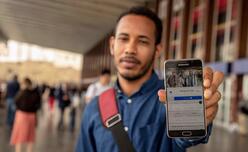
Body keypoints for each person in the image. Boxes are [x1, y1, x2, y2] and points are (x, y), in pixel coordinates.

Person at [76, 6, 224, 152]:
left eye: (142, 41)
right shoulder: (94, 108)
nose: (130, 49)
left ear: (157, 50)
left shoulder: (170, 98)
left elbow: (184, 139)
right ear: (112, 45)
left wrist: (198, 117)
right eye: (124, 38)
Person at [10, 77, 41, 152]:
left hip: (22, 115)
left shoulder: (22, 92)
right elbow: (38, 105)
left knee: (18, 136)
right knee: (30, 137)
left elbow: (15, 102)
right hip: (32, 116)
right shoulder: (36, 92)